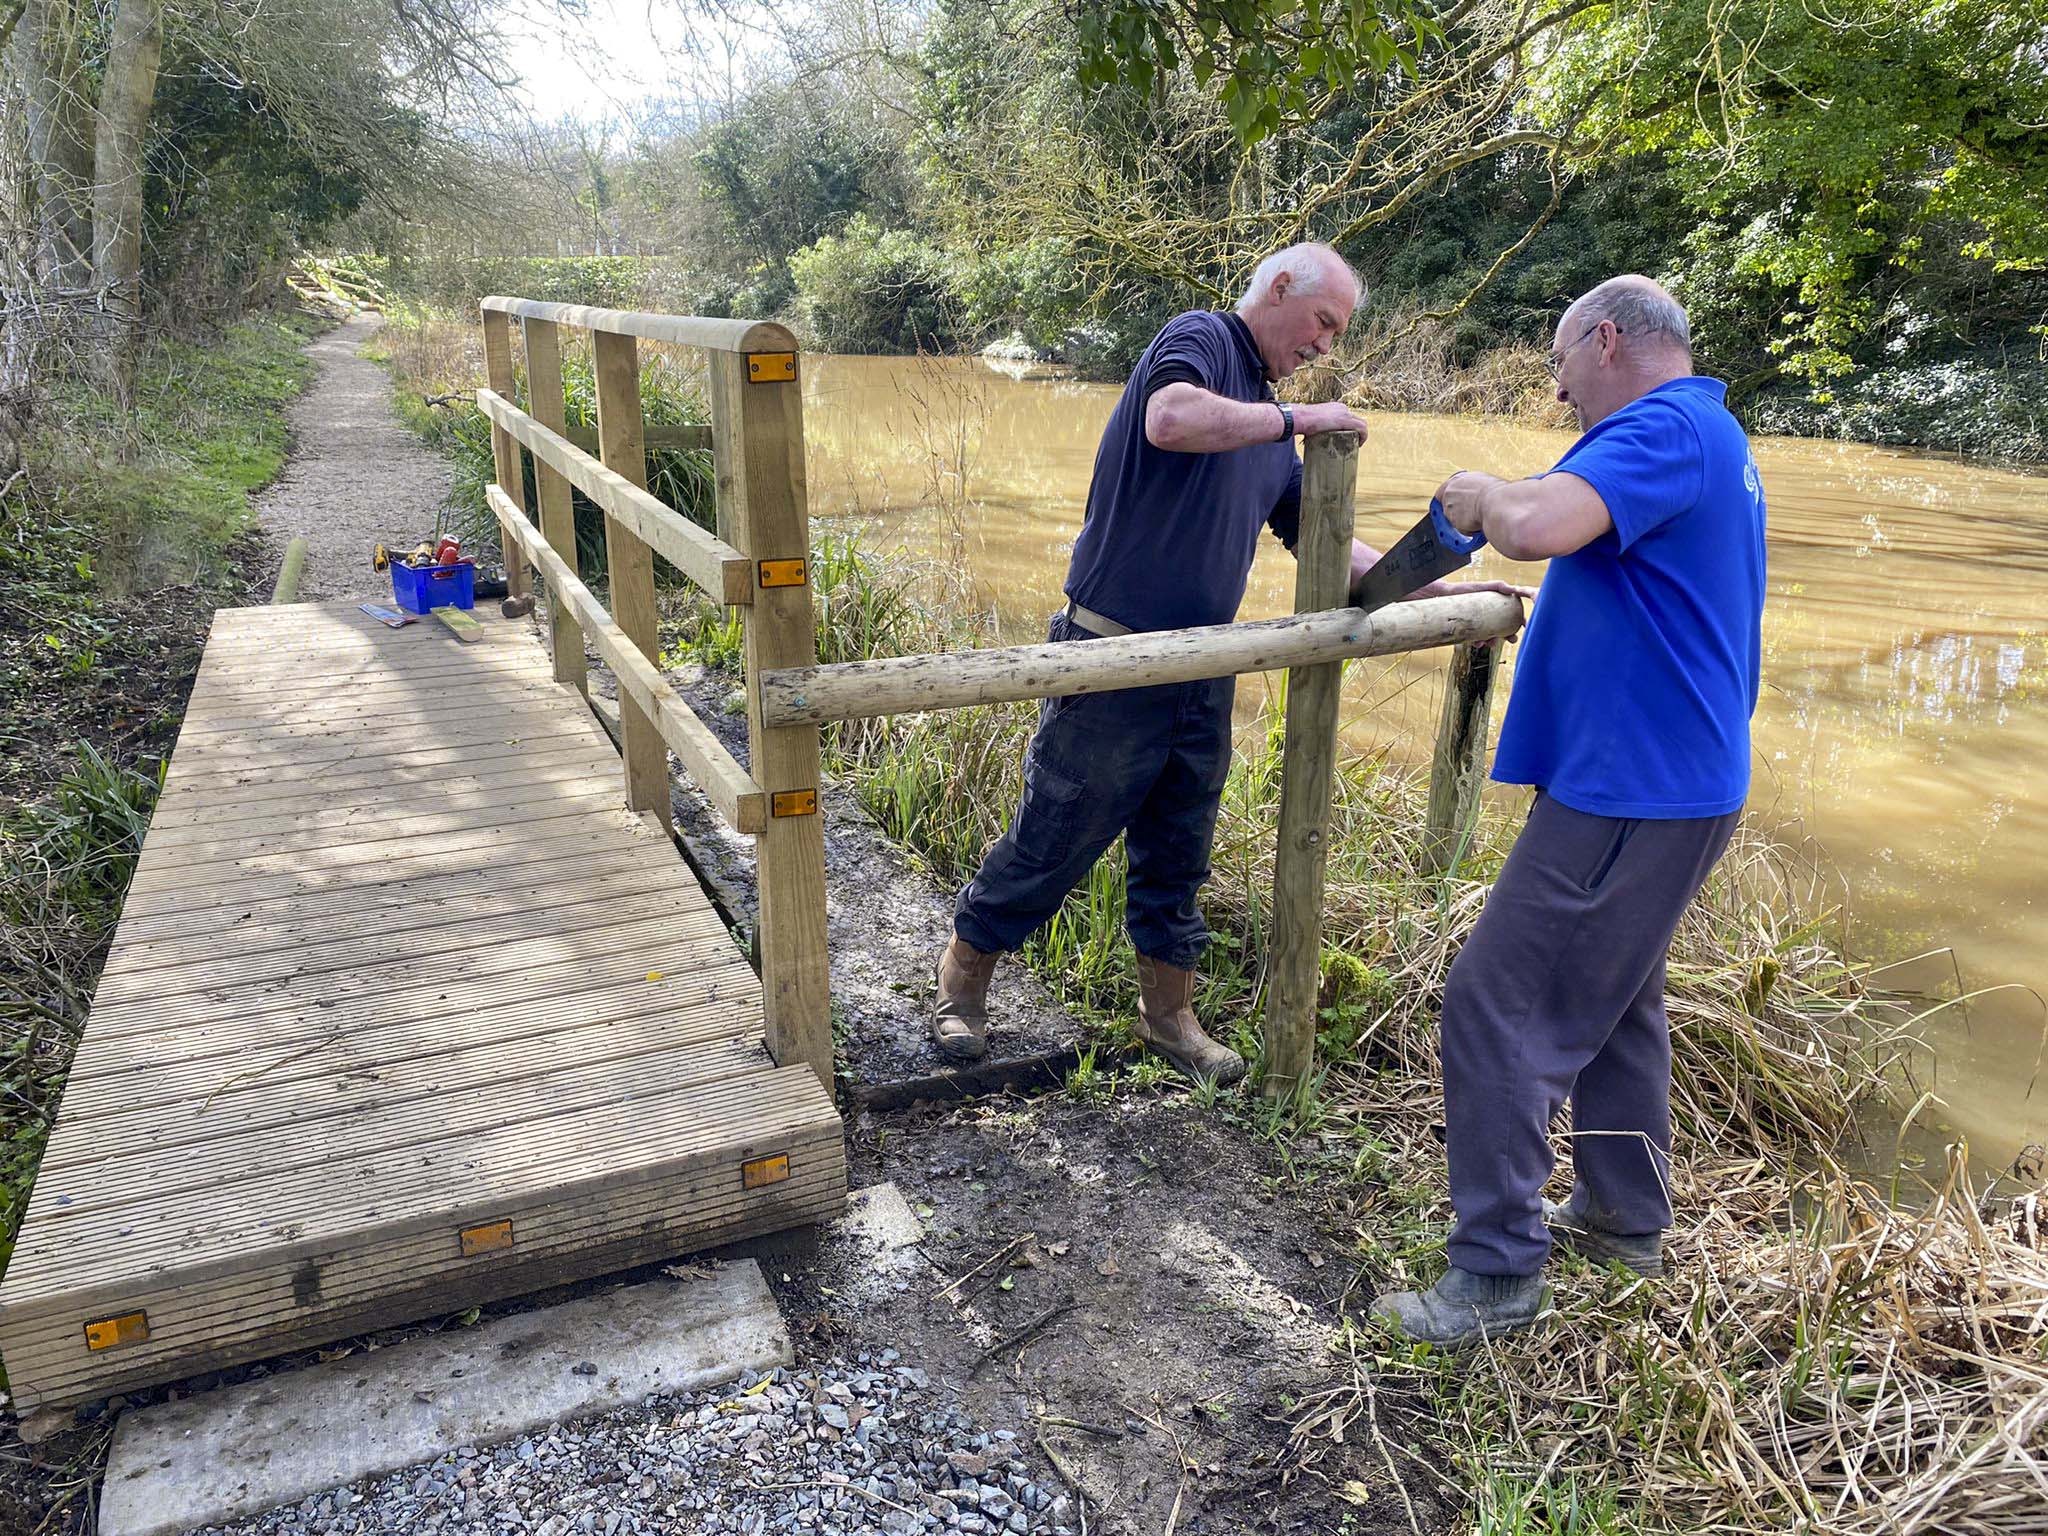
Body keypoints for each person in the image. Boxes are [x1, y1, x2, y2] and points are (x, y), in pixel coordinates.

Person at [930, 242, 1520, 1084]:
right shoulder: (1201, 341)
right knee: (1053, 839)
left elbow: (1332, 548)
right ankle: (961, 985)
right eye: (1322, 322)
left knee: (1178, 856)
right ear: (1278, 289)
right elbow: (1167, 420)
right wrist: (1302, 420)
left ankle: (1168, 1021)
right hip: (1112, 657)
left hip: (1204, 669)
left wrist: (1441, 597)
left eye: (1337, 333)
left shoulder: (1268, 430)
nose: (1325, 347)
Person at [1371, 275, 1768, 1346]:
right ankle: (1622, 1218)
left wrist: (1476, 497)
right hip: (1669, 782)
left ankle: (1495, 1274)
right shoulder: (1708, 435)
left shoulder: (1659, 428)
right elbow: (1623, 584)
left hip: (1630, 792)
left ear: (1604, 340)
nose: (1554, 391)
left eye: (1556, 365)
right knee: (1616, 1004)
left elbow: (1537, 525)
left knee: (1492, 1003)